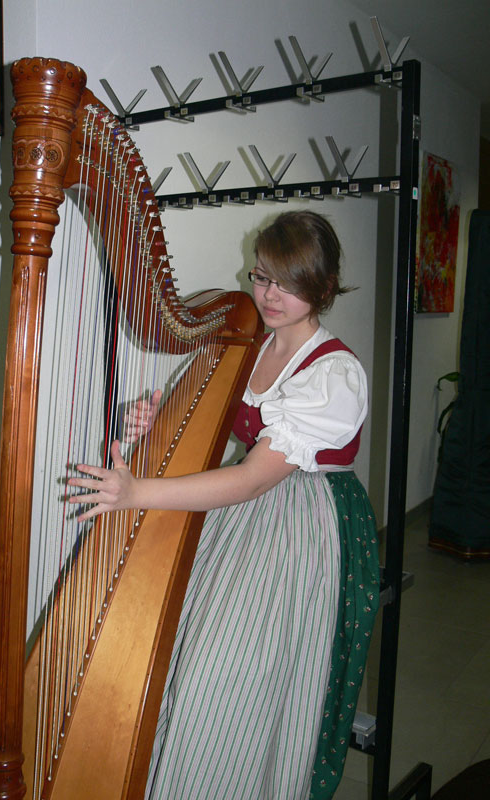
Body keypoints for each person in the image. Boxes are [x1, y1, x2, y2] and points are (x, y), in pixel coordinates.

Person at [68, 210, 379, 800]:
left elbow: (256, 479)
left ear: (324, 287)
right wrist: (153, 418)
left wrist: (136, 493)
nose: (270, 295)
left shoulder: (335, 374)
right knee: (184, 655)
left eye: (289, 283)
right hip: (246, 514)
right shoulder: (247, 345)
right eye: (263, 277)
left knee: (232, 676)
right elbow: (225, 433)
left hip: (307, 522)